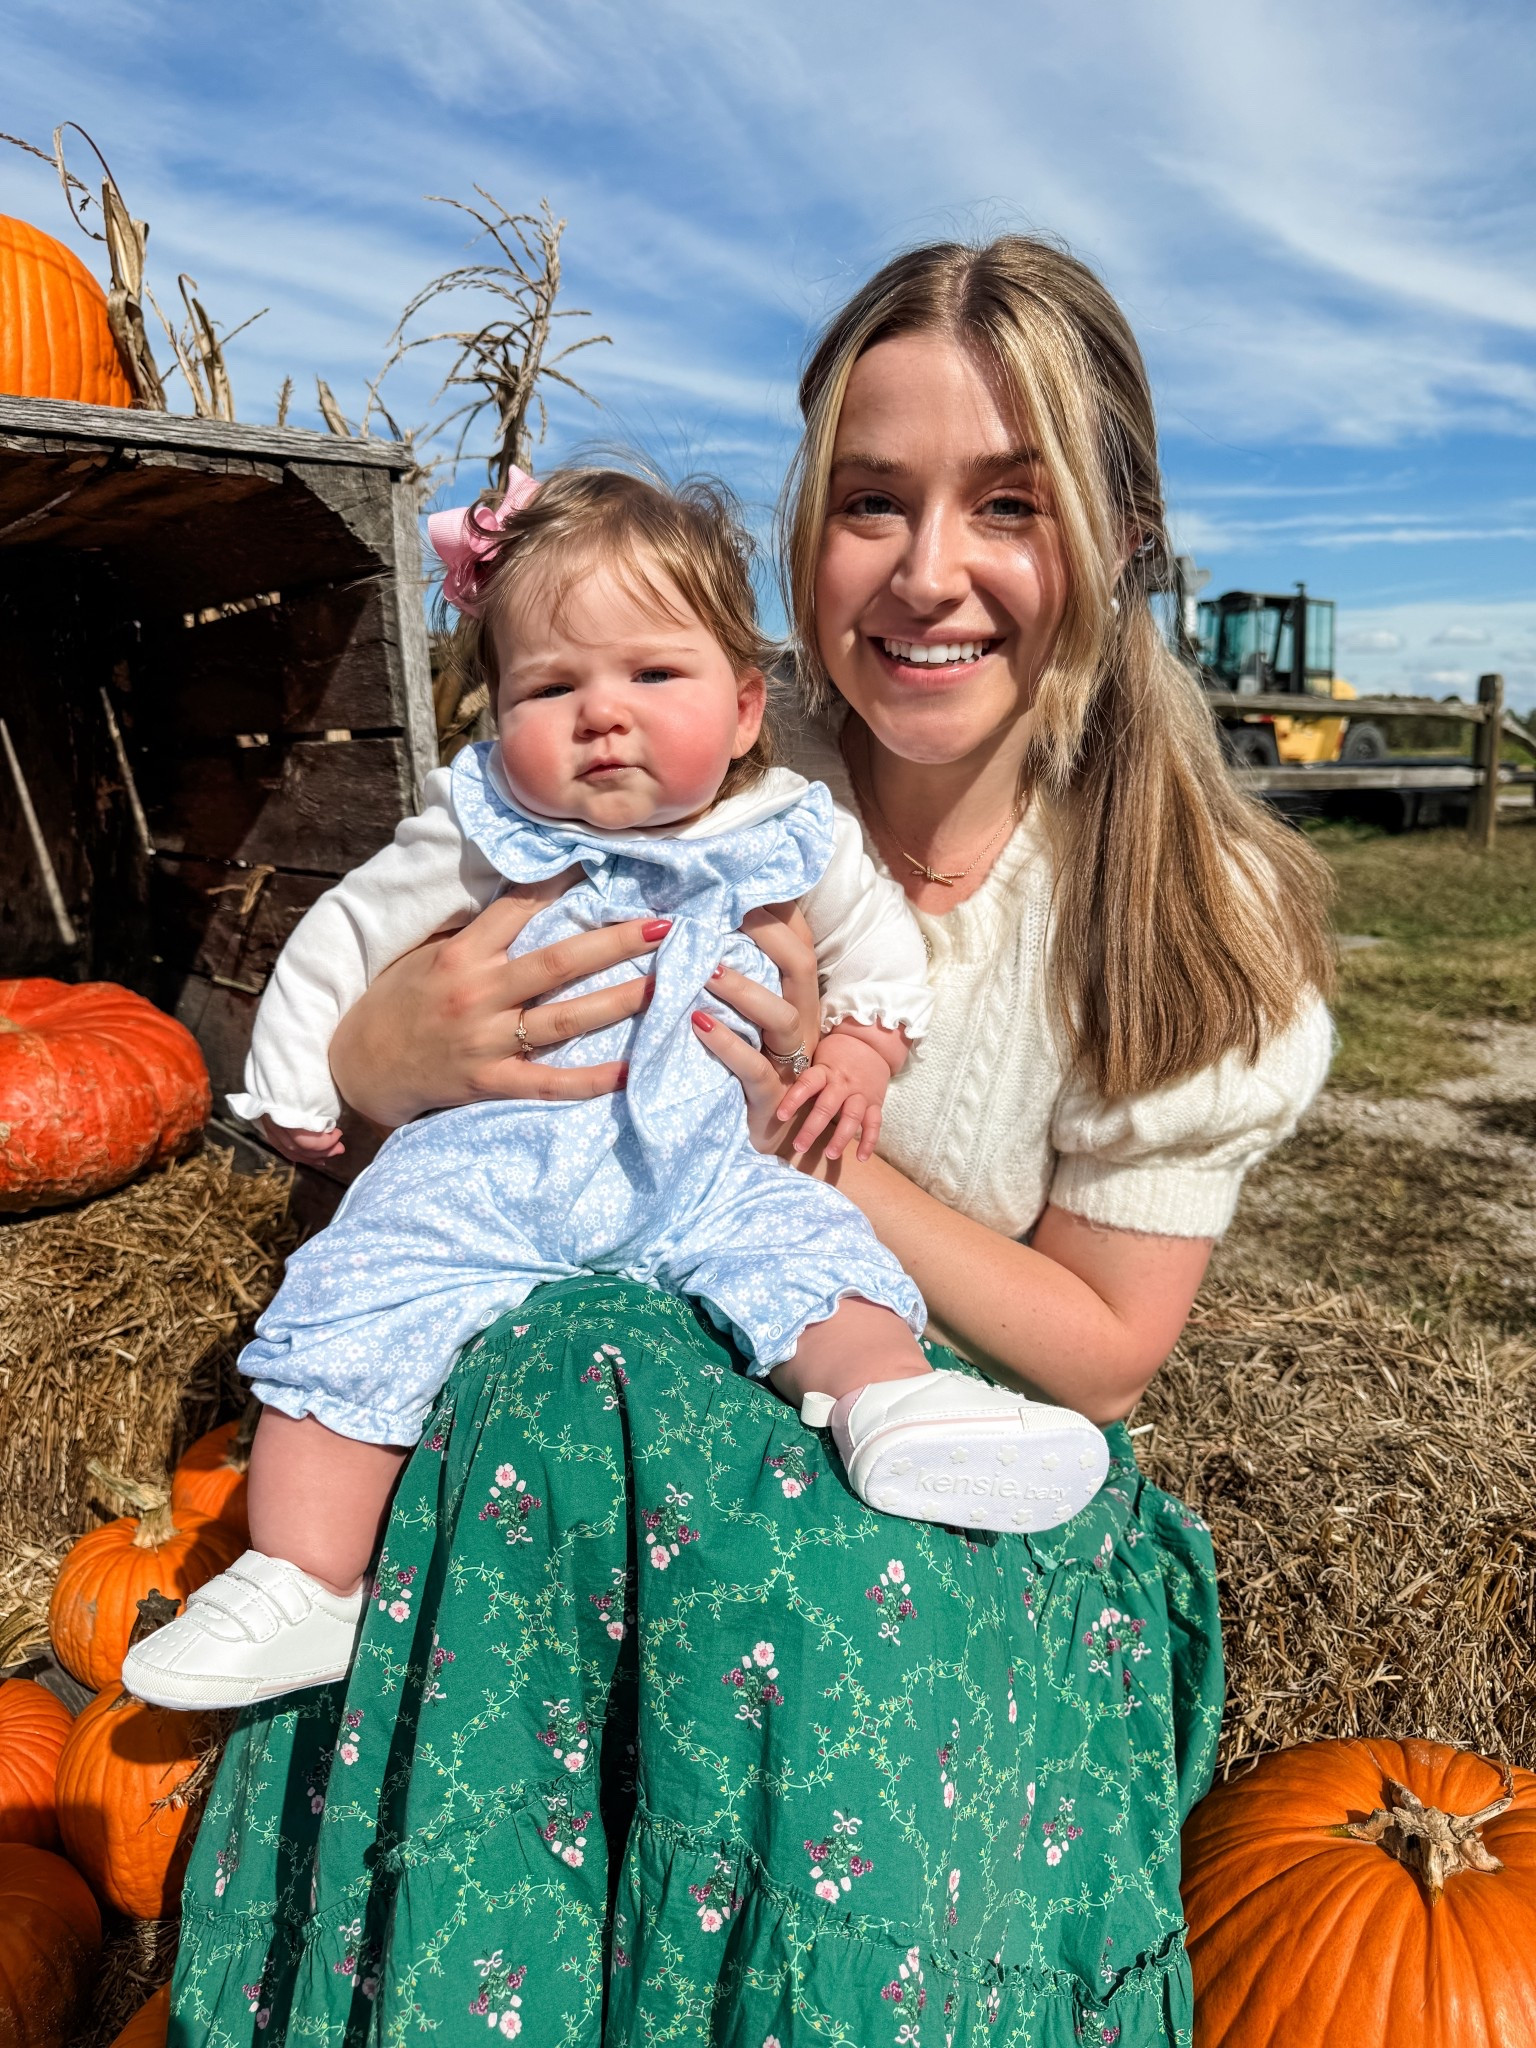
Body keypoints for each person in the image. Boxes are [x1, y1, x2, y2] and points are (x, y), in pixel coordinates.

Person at [169, 236, 1332, 2047]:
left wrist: (804, 1143)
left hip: (938, 1456)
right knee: (550, 1373)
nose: (929, 571)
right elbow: (418, 1029)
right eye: (874, 501)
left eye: (1006, 504)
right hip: (583, 1417)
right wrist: (388, 1057)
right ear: (801, 541)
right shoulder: (663, 741)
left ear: (1116, 539)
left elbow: (1106, 1351)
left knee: (627, 1416)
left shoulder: (1189, 910)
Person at [127, 466, 1109, 1713]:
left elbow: (883, 960)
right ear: (496, 715)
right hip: (494, 1178)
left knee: (813, 1249)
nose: (602, 715)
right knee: (360, 1294)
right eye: (551, 686)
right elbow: (346, 930)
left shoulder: (787, 832)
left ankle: (898, 1407)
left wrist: (856, 1056)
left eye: (652, 676)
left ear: (747, 706)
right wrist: (292, 1076)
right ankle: (302, 1576)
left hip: (710, 1167)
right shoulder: (485, 827)